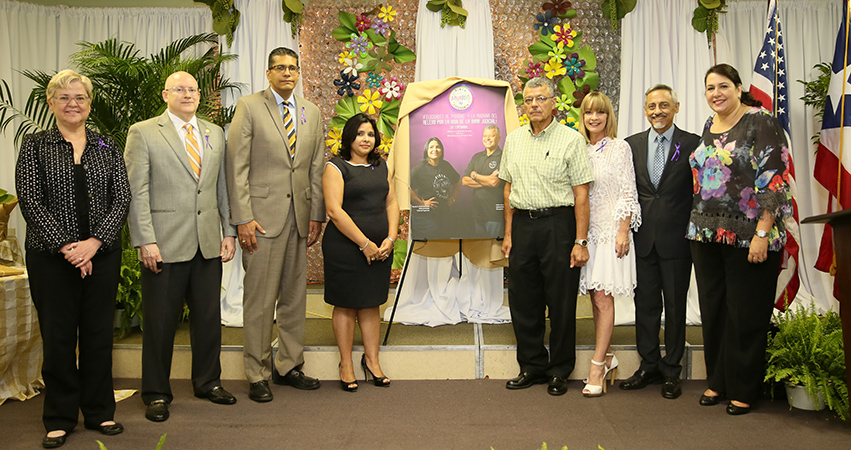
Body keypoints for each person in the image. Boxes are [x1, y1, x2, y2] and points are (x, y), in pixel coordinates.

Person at [15, 69, 130, 448]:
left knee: (98, 335)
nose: (73, 104)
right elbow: (31, 202)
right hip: (51, 258)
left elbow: (122, 198)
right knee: (59, 337)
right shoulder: (35, 146)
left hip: (102, 254)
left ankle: (99, 412)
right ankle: (60, 417)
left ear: (89, 103)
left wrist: (94, 243)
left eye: (79, 97)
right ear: (51, 104)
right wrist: (69, 247)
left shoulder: (106, 145)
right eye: (64, 97)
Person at [124, 71, 237, 422]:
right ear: (165, 94)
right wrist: (145, 240)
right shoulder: (143, 132)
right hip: (163, 244)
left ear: (200, 96)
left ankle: (208, 382)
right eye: (179, 89)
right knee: (160, 323)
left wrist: (229, 231)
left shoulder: (213, 132)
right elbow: (136, 192)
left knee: (208, 319)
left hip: (207, 243)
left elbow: (221, 187)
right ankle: (156, 393)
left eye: (192, 89)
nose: (187, 94)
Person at [689, 64, 792, 415]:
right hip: (706, 233)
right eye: (709, 88)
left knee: (745, 313)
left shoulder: (760, 121)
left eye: (722, 86)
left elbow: (774, 179)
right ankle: (719, 380)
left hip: (751, 234)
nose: (716, 93)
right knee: (715, 310)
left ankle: (745, 388)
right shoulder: (708, 125)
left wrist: (763, 233)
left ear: (737, 88)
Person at [226, 47, 326, 402]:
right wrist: (243, 219)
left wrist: (316, 214)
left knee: (295, 299)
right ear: (268, 73)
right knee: (260, 300)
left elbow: (315, 166)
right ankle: (257, 372)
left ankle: (289, 366)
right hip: (261, 220)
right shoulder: (250, 107)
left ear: (299, 73)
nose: (287, 73)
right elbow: (235, 165)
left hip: (300, 218)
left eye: (293, 68)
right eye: (280, 68)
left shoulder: (311, 112)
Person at [498, 77, 593, 396]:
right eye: (528, 100)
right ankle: (531, 366)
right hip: (523, 227)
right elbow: (508, 189)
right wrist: (508, 233)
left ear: (554, 102)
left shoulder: (571, 139)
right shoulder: (513, 140)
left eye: (541, 98)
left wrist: (581, 241)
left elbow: (581, 195)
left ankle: (560, 370)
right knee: (523, 300)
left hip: (559, 226)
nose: (534, 104)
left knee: (561, 301)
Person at [621, 85, 701, 399]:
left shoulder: (693, 144)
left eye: (664, 105)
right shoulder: (631, 145)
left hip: (678, 241)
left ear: (676, 107)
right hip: (642, 241)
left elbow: (700, 193)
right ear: (645, 109)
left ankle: (671, 370)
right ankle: (648, 365)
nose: (657, 111)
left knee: (676, 307)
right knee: (646, 306)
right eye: (652, 106)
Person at [322, 113, 398, 391]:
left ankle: (373, 362)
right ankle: (346, 364)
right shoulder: (336, 167)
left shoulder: (382, 166)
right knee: (345, 304)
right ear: (349, 138)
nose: (365, 139)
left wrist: (390, 237)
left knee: (371, 303)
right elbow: (334, 210)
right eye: (359, 134)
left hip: (380, 248)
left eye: (370, 134)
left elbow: (391, 202)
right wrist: (364, 244)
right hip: (345, 247)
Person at [576, 92, 641, 397]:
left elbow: (628, 192)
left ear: (608, 116)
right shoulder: (580, 149)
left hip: (610, 233)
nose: (594, 118)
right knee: (594, 298)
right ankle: (609, 354)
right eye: (589, 112)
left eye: (600, 113)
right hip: (586, 235)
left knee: (604, 299)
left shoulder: (619, 148)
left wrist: (623, 231)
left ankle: (597, 366)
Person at [409, 137, 461, 238]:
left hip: (444, 215)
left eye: (438, 147)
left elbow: (458, 181)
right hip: (426, 219)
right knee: (429, 248)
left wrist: (453, 197)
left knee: (443, 246)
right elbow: (406, 187)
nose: (435, 150)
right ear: (426, 150)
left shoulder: (446, 166)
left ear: (442, 150)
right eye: (431, 147)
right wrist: (421, 203)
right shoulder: (419, 169)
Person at [462, 125, 505, 237]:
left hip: (495, 215)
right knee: (480, 249)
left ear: (499, 138)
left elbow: (495, 182)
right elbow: (465, 181)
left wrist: (475, 175)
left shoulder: (503, 157)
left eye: (492, 135)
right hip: (478, 214)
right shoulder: (477, 157)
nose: (488, 138)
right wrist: (487, 180)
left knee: (493, 249)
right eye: (485, 135)